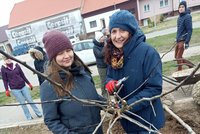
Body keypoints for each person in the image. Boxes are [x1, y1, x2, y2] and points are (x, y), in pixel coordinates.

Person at [104, 10, 165, 133]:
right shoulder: (114, 55)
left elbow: (154, 88)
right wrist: (110, 83)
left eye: (122, 30)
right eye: (114, 31)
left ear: (131, 31)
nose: (117, 36)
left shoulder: (148, 52)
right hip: (128, 120)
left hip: (148, 120)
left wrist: (127, 106)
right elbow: (109, 76)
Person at [40, 30, 104, 134]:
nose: (66, 56)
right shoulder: (49, 86)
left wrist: (111, 106)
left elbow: (94, 98)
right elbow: (51, 120)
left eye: (68, 50)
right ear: (52, 57)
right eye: (60, 53)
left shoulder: (83, 73)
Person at [175, 1, 194, 71]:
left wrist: (187, 42)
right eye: (179, 7)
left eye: (182, 7)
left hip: (183, 40)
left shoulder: (188, 17)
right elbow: (179, 29)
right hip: (178, 40)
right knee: (176, 57)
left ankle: (180, 72)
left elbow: (189, 30)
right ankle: (191, 65)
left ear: (185, 8)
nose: (181, 8)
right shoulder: (179, 18)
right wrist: (176, 38)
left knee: (178, 57)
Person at [93, 31, 108, 98]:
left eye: (103, 36)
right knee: (103, 81)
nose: (103, 38)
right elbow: (100, 55)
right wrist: (105, 47)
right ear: (98, 38)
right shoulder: (95, 47)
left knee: (108, 79)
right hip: (101, 67)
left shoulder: (103, 44)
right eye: (102, 37)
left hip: (107, 65)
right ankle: (104, 94)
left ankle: (109, 92)